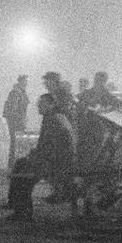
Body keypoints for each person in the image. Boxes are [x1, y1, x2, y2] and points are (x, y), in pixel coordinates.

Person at [35, 71, 77, 204]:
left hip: (61, 134)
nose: (45, 84)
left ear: (54, 81)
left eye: (47, 81)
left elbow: (66, 114)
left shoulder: (62, 95)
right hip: (57, 131)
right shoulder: (56, 95)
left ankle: (62, 192)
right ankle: (60, 192)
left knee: (58, 162)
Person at [2, 74, 30, 167]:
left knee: (17, 141)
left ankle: (14, 162)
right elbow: (14, 108)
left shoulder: (20, 92)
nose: (26, 83)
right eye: (25, 81)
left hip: (17, 119)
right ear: (21, 81)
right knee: (16, 141)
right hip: (16, 120)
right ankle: (14, 163)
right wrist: (20, 119)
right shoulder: (17, 92)